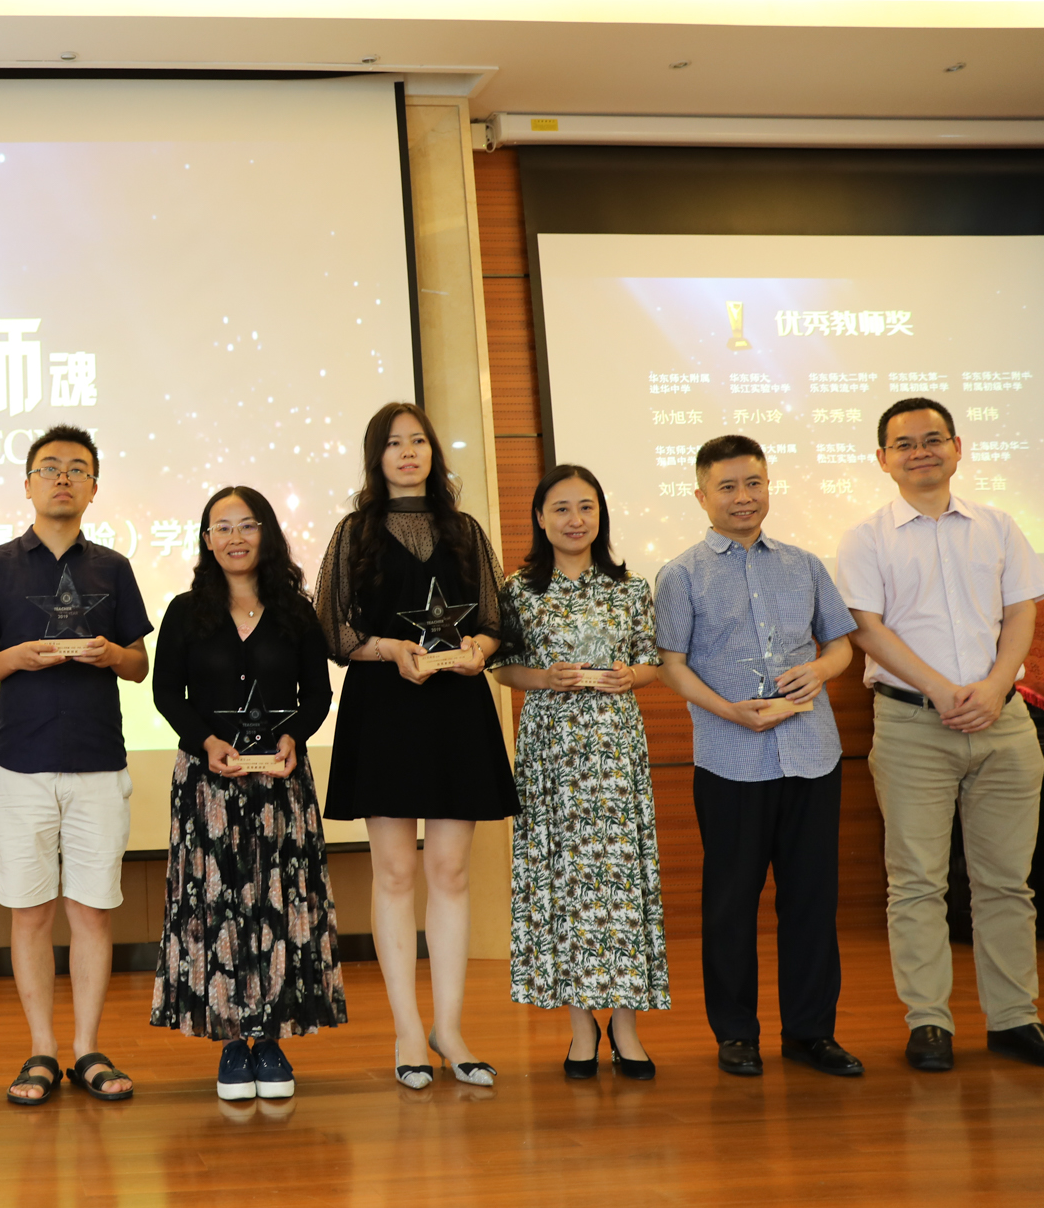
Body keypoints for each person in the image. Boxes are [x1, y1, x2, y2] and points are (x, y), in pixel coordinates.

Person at [835, 397, 1044, 1071]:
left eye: (933, 439)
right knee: (917, 882)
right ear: (882, 459)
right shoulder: (866, 538)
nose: (920, 452)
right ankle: (928, 1021)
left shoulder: (998, 525)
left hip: (1002, 720)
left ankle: (1014, 1017)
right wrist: (940, 688)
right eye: (905, 444)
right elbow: (866, 628)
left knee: (1007, 882)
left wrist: (996, 684)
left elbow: (1020, 612)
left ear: (958, 447)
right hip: (911, 724)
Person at [317, 402, 516, 1090]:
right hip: (385, 708)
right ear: (376, 457)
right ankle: (407, 1029)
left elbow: (496, 617)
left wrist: (477, 648)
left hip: (456, 707)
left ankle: (449, 1029)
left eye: (419, 441)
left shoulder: (465, 529)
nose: (408, 452)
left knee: (451, 872)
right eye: (394, 443)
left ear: (433, 451)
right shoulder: (355, 531)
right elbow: (333, 628)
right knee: (396, 872)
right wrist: (388, 649)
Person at [653, 435, 862, 1079]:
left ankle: (810, 1032)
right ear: (701, 496)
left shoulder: (805, 564)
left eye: (754, 483)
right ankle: (736, 1033)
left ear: (768, 487)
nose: (743, 497)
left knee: (811, 899)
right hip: (730, 758)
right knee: (731, 902)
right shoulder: (681, 573)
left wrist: (819, 670)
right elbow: (671, 665)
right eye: (728, 487)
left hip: (812, 753)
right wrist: (727, 710)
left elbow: (842, 646)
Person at [0, 425, 152, 1104]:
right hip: (20, 764)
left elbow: (139, 664)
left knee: (93, 912)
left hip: (98, 762)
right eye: (49, 468)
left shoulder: (114, 567)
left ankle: (88, 1049)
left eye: (77, 468)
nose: (63, 478)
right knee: (30, 912)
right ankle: (42, 1049)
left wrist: (111, 654)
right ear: (28, 485)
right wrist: (17, 657)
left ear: (94, 487)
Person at [149, 486, 343, 1101]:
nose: (235, 537)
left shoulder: (296, 612)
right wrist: (205, 741)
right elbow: (166, 693)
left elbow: (318, 695)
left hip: (280, 785)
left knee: (278, 904)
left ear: (267, 534)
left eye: (247, 525)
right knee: (218, 906)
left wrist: (293, 737)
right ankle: (234, 1040)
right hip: (208, 785)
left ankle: (274, 1036)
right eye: (222, 527)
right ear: (206, 540)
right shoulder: (186, 611)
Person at [489, 465, 667, 1080]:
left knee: (618, 881)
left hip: (614, 748)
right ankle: (580, 1026)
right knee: (564, 881)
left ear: (601, 515)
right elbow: (503, 668)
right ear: (540, 518)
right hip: (552, 751)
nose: (575, 519)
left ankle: (626, 1024)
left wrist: (630, 676)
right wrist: (545, 678)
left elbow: (651, 663)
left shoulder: (630, 587)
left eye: (586, 507)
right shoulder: (518, 591)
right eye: (561, 508)